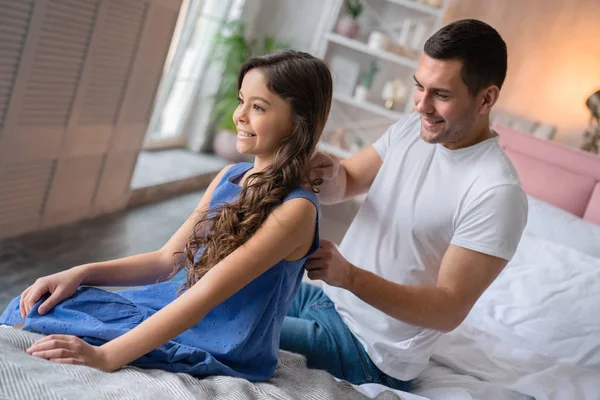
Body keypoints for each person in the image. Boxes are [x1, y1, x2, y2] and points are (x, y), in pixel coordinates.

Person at [0, 50, 333, 381]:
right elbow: (165, 261)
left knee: (42, 318)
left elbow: (204, 297)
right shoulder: (231, 176)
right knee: (35, 303)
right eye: (241, 100)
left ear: (298, 121)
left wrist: (104, 356)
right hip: (172, 305)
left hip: (221, 341)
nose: (239, 116)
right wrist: (79, 273)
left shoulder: (296, 211)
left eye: (258, 107)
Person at [280, 19, 528, 391]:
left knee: (219, 316)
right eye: (419, 86)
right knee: (207, 286)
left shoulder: (496, 191)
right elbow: (346, 180)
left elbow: (447, 310)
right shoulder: (414, 129)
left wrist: (349, 275)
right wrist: (327, 172)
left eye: (440, 95)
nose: (421, 106)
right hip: (326, 299)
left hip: (369, 350)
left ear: (486, 98)